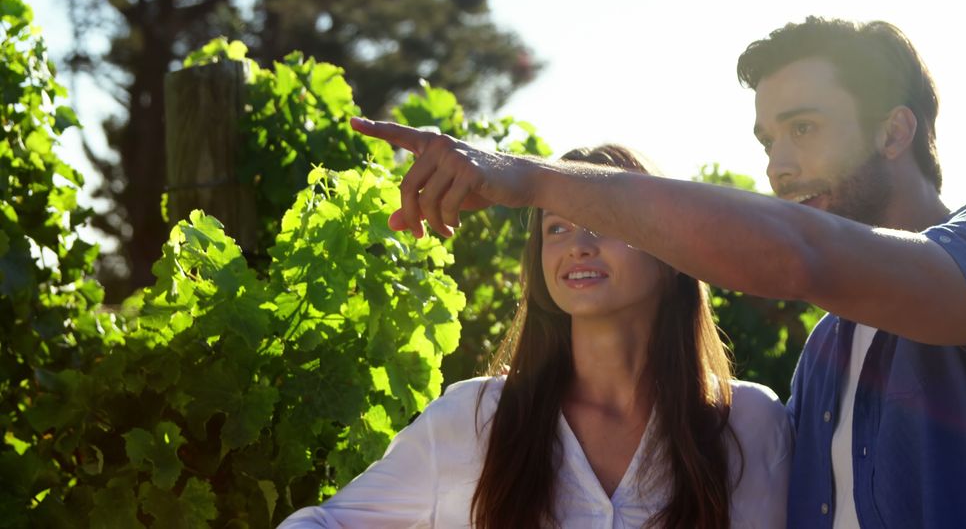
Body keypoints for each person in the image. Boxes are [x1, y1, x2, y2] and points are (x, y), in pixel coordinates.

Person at [349, 16, 966, 528]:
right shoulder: (827, 351)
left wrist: (531, 180)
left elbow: (800, 255)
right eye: (767, 138)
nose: (778, 163)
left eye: (804, 128)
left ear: (895, 130)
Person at [279, 145, 792, 528]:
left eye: (603, 222)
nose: (578, 246)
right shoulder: (475, 418)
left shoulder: (749, 422)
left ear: (673, 257)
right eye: (558, 229)